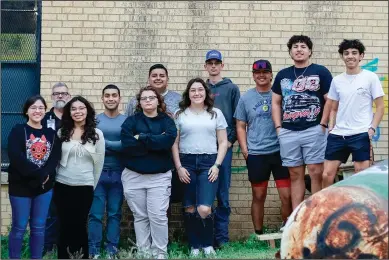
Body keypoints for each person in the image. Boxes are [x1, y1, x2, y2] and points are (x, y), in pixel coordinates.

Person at [271, 35, 333, 210]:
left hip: (314, 129)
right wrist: (278, 128)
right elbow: (275, 103)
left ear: (310, 51)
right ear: (290, 52)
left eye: (303, 46)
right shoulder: (283, 75)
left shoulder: (321, 71)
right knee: (295, 174)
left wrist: (323, 124)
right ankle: (297, 217)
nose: (299, 49)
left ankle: (316, 214)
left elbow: (330, 100)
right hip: (288, 132)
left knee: (316, 172)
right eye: (295, 46)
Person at [172, 78, 229, 257]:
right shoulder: (180, 114)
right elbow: (174, 143)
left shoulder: (215, 114)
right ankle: (194, 246)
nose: (196, 93)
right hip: (186, 162)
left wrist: (217, 165)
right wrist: (179, 167)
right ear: (188, 94)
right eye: (193, 90)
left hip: (208, 163)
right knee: (189, 207)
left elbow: (223, 142)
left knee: (204, 208)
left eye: (200, 90)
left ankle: (207, 244)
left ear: (206, 93)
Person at [234, 60, 292, 235]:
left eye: (265, 72)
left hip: (280, 152)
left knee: (286, 196)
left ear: (271, 75)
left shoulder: (281, 94)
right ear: (253, 76)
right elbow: (240, 125)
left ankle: (287, 231)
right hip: (257, 154)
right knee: (259, 196)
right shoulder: (246, 98)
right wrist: (245, 150)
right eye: (258, 73)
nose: (261, 75)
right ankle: (258, 233)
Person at [121, 86, 177, 259]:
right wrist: (155, 141)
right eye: (144, 98)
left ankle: (160, 253)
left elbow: (167, 141)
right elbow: (128, 145)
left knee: (158, 216)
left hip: (159, 177)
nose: (147, 101)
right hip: (134, 176)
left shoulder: (166, 121)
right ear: (139, 102)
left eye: (151, 98)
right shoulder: (131, 121)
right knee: (140, 217)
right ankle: (144, 253)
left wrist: (142, 137)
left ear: (158, 101)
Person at [321, 39, 385, 188]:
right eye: (346, 53)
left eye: (354, 53)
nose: (350, 56)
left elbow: (380, 107)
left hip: (361, 133)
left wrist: (372, 129)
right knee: (327, 174)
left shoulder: (370, 77)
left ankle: (359, 209)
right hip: (338, 134)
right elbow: (334, 108)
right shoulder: (337, 80)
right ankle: (329, 207)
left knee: (361, 175)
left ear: (361, 56)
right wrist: (331, 128)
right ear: (342, 56)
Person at [7, 95, 61, 259]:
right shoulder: (18, 130)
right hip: (20, 186)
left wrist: (44, 174)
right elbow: (16, 157)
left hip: (44, 187)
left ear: (45, 111)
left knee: (39, 227)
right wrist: (39, 173)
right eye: (33, 107)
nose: (37, 111)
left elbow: (54, 157)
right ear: (26, 111)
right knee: (20, 226)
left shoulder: (51, 134)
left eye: (41, 108)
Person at [54, 96, 105, 259]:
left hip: (85, 187)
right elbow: (55, 161)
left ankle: (80, 256)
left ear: (87, 110)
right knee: (64, 225)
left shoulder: (97, 134)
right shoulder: (62, 132)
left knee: (79, 225)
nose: (78, 112)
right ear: (69, 112)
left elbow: (99, 164)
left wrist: (91, 185)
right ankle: (63, 256)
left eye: (81, 108)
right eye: (73, 109)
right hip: (62, 185)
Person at [204, 50, 240, 247]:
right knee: (205, 194)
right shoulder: (201, 88)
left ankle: (222, 240)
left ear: (222, 65)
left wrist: (230, 141)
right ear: (206, 66)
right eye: (210, 62)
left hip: (224, 148)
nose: (213, 66)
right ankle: (206, 240)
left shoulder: (231, 88)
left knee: (222, 195)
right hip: (204, 149)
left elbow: (237, 118)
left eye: (217, 62)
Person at [88, 85, 127, 258]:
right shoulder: (94, 121)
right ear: (102, 98)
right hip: (97, 173)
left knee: (114, 214)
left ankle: (112, 249)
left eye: (114, 95)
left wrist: (103, 143)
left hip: (119, 173)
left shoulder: (127, 121)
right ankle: (94, 250)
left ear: (119, 98)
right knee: (95, 214)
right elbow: (90, 146)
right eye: (107, 96)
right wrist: (115, 145)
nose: (110, 98)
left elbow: (126, 145)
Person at [41, 82, 71, 254]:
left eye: (63, 93)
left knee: (68, 211)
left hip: (70, 171)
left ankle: (65, 247)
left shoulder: (74, 117)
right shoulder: (44, 119)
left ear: (68, 96)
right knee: (51, 212)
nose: (60, 96)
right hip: (49, 172)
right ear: (52, 97)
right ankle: (48, 247)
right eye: (56, 93)